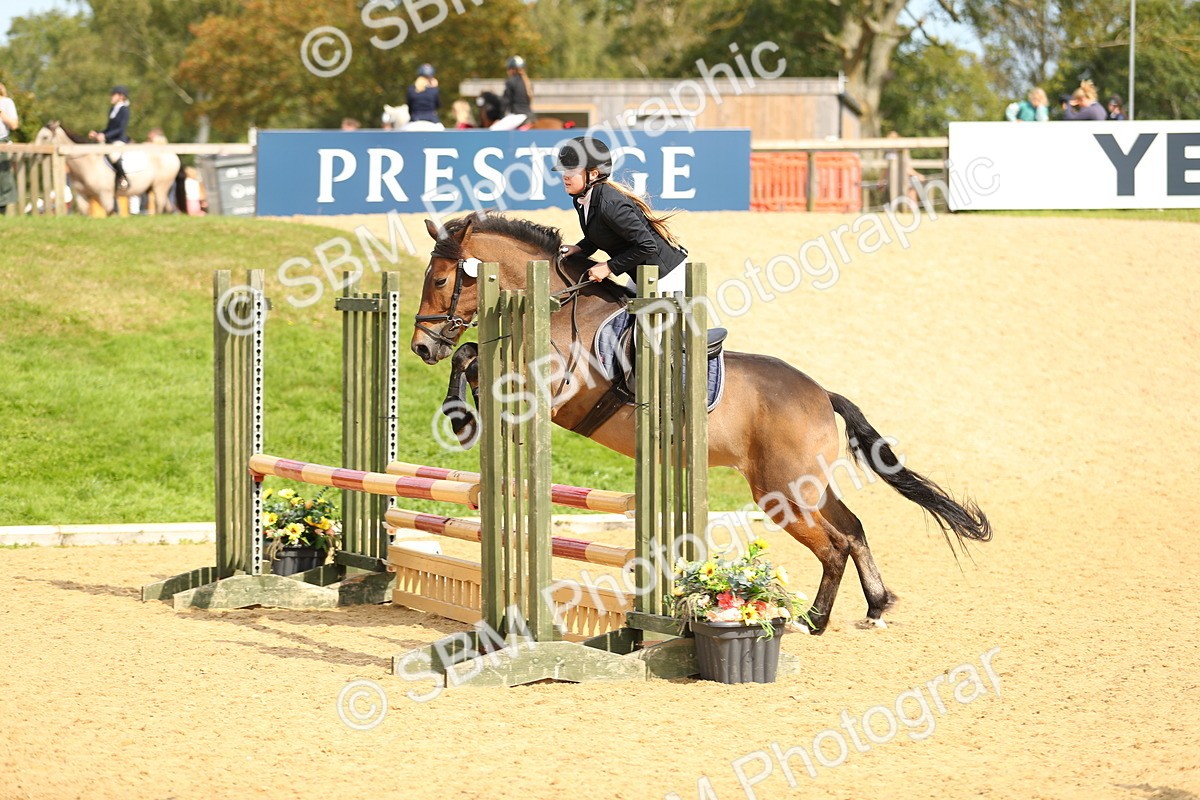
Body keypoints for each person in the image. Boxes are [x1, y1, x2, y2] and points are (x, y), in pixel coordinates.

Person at [552, 136, 689, 294]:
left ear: (594, 174)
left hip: (666, 276)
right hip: (641, 274)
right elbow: (600, 234)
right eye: (564, 170)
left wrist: (608, 267)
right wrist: (579, 248)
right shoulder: (581, 200)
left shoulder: (611, 205)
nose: (565, 176)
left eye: (572, 170)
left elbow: (648, 245)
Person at [88, 85, 131, 190]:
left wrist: (105, 136)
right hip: (109, 140)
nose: (111, 97)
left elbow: (120, 129)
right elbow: (109, 128)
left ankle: (123, 179)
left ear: (121, 96)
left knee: (113, 156)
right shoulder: (112, 109)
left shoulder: (125, 110)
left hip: (118, 140)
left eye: (113, 95)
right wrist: (98, 134)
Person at [491, 55, 535, 131]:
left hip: (517, 116)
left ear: (512, 69)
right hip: (530, 115)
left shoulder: (511, 81)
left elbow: (505, 102)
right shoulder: (528, 82)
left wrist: (500, 118)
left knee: (493, 129)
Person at [0, 83, 19, 213]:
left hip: (2, 142)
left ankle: (2, 211)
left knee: (3, 179)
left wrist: (1, 112)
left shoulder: (7, 102)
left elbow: (14, 125)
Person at [405, 63, 442, 128]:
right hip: (432, 121)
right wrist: (434, 87)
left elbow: (409, 107)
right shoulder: (434, 90)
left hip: (415, 120)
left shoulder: (411, 90)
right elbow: (438, 105)